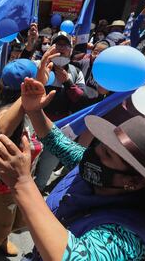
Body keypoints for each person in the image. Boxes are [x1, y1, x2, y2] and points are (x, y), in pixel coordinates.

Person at [0, 77, 145, 261]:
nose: (94, 153)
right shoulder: (89, 167)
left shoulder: (129, 235)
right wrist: (35, 110)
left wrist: (22, 183)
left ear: (133, 181)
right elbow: (58, 141)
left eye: (108, 155)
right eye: (101, 145)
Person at [0, 57, 54, 261]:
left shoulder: (30, 109)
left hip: (24, 182)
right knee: (3, 227)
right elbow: (3, 129)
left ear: (2, 84)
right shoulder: (7, 112)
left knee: (18, 222)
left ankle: (2, 237)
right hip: (2, 186)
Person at [34, 32, 86, 192]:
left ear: (71, 50)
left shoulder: (76, 72)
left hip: (59, 130)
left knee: (45, 170)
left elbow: (80, 100)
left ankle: (38, 193)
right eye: (58, 44)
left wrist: (67, 82)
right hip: (34, 126)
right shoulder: (38, 66)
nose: (61, 48)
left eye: (65, 45)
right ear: (50, 47)